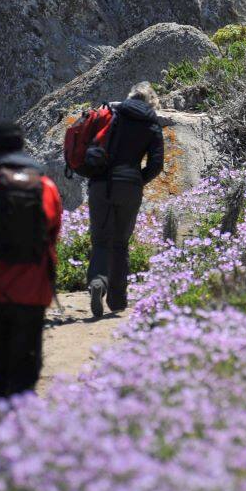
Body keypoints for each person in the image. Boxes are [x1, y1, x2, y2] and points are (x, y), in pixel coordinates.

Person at [0, 122, 63, 421]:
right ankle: (21, 437)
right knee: (26, 368)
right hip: (32, 291)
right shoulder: (46, 187)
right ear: (21, 146)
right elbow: (53, 234)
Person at [86, 82, 165, 318]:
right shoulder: (152, 125)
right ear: (152, 103)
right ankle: (118, 300)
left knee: (101, 240)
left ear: (130, 97)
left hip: (101, 183)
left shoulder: (111, 114)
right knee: (120, 243)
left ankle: (98, 282)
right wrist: (137, 179)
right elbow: (156, 164)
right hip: (130, 186)